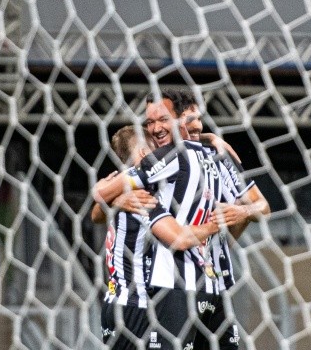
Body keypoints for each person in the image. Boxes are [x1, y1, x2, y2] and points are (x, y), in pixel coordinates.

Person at [94, 88, 270, 349]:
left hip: (209, 283)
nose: (195, 125)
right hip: (154, 292)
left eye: (197, 119)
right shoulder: (155, 173)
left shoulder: (215, 157)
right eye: (151, 123)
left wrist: (238, 214)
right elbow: (99, 207)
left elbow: (261, 206)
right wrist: (116, 199)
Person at [99, 125, 222, 350]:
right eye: (158, 150)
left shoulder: (115, 188)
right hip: (135, 305)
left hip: (113, 300)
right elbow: (180, 239)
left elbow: (96, 211)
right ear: (145, 154)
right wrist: (216, 224)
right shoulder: (144, 195)